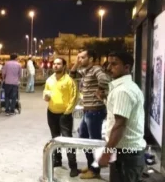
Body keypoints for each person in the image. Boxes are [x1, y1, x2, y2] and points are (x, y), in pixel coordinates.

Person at [98, 52, 146, 182]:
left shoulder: (123, 91)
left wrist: (106, 154)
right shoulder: (128, 87)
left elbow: (120, 124)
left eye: (114, 64)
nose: (109, 68)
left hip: (126, 156)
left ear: (127, 67)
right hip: (127, 154)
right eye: (108, 63)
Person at [69, 49, 111, 179]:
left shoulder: (96, 69)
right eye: (78, 57)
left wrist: (99, 90)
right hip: (88, 110)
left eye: (82, 57)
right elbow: (71, 75)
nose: (79, 59)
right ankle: (91, 164)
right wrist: (76, 63)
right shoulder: (86, 71)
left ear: (91, 59)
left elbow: (105, 80)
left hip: (95, 111)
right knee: (83, 138)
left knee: (94, 141)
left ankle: (95, 169)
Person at [43, 58, 79, 177]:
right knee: (55, 138)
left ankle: (73, 165)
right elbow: (46, 93)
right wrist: (46, 97)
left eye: (59, 64)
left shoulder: (69, 81)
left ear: (64, 66)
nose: (56, 66)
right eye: (54, 64)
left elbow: (74, 98)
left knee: (68, 139)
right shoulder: (49, 80)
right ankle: (57, 160)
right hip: (51, 113)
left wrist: (67, 113)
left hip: (65, 114)